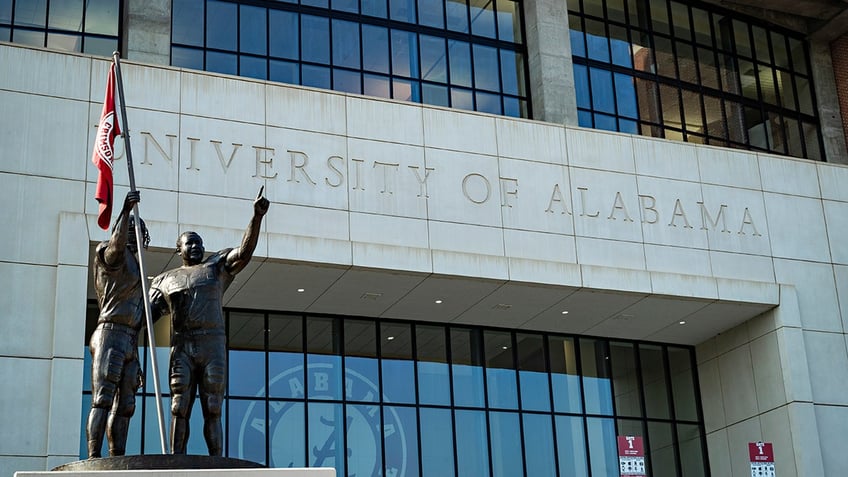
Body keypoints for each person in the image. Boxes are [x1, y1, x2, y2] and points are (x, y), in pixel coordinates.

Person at [149, 187, 269, 455]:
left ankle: (217, 461)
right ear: (178, 249)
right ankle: (174, 460)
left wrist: (256, 217)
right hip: (182, 346)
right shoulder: (164, 279)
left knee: (212, 407)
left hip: (212, 344)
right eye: (190, 242)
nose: (196, 246)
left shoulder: (216, 267)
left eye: (199, 242)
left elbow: (244, 253)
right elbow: (145, 318)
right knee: (179, 407)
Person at [87, 190, 149, 458]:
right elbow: (116, 246)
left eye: (139, 228)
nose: (136, 233)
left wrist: (136, 353)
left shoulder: (140, 268)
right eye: (131, 228)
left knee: (126, 405)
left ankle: (116, 456)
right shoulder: (111, 256)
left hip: (129, 340)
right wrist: (125, 211)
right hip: (110, 333)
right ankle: (93, 456)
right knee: (102, 399)